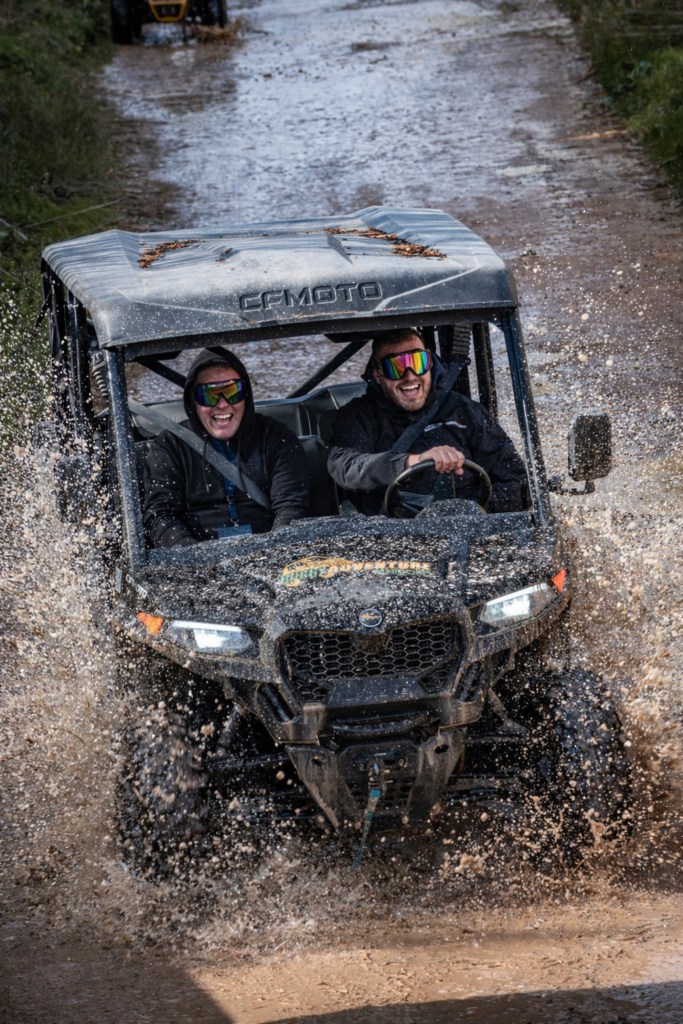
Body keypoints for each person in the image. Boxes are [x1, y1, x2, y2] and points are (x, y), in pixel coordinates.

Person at [327, 328, 529, 516]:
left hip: (471, 528)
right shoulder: (358, 415)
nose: (410, 376)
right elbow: (347, 467)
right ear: (377, 375)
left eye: (418, 362)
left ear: (430, 364)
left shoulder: (465, 411)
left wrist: (474, 513)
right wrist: (413, 461)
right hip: (390, 538)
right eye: (395, 367)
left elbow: (514, 480)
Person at [143, 348, 310, 547]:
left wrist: (274, 553)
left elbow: (292, 506)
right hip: (195, 557)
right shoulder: (169, 447)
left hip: (269, 549)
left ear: (246, 394)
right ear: (193, 400)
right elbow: (160, 515)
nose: (222, 405)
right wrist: (194, 559)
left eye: (232, 391)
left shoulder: (277, 438)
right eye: (209, 394)